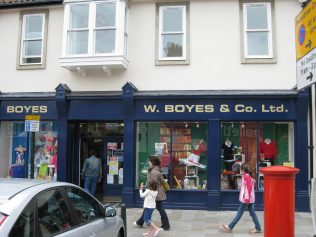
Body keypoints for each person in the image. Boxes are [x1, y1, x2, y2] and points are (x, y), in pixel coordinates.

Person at [222, 163, 262, 234]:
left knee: (239, 213)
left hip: (246, 199)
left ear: (242, 170)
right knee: (252, 213)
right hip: (249, 199)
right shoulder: (248, 176)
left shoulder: (246, 177)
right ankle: (258, 227)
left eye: (240, 169)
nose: (240, 171)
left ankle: (230, 226)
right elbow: (252, 184)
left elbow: (249, 188)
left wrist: (246, 198)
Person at [134, 155, 170, 231]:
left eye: (150, 161)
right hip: (156, 193)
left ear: (153, 162)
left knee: (159, 208)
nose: (149, 162)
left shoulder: (153, 171)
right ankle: (140, 222)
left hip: (155, 193)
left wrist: (148, 191)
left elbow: (153, 183)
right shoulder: (155, 170)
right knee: (148, 207)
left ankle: (166, 225)